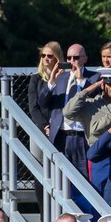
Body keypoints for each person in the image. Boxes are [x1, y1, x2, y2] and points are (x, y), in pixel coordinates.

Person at [37, 43, 98, 177]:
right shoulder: (61, 78)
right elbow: (42, 102)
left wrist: (81, 80)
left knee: (83, 179)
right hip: (61, 135)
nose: (72, 62)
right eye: (69, 58)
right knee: (59, 178)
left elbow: (95, 94)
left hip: (82, 137)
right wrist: (52, 82)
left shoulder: (94, 77)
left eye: (76, 58)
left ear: (85, 59)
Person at [28, 42, 65, 160]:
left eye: (50, 56)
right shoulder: (36, 78)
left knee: (58, 164)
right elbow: (33, 107)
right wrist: (45, 126)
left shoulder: (65, 77)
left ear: (57, 58)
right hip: (40, 127)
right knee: (38, 164)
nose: (46, 59)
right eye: (43, 55)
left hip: (60, 128)